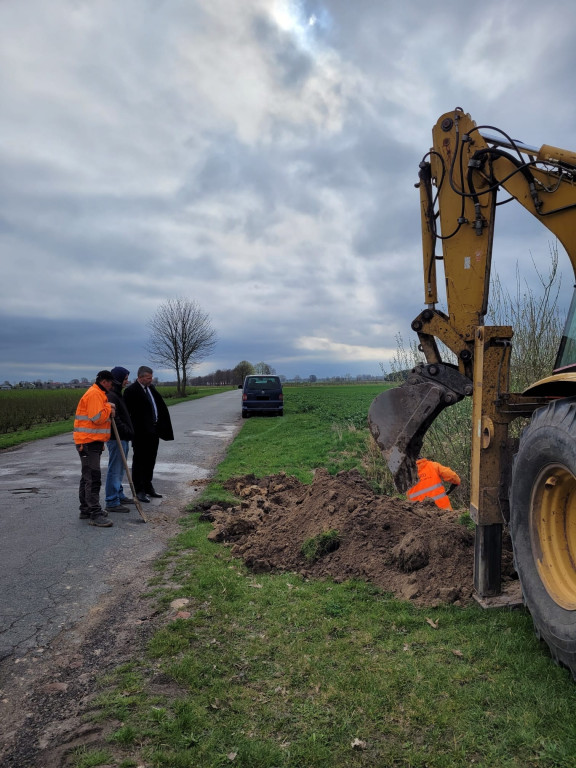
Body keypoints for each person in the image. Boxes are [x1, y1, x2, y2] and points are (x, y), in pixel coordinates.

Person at [123, 365, 174, 503]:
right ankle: (139, 490)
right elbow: (127, 414)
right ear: (140, 377)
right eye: (148, 378)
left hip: (154, 431)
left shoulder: (151, 388)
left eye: (151, 377)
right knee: (139, 461)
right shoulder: (131, 391)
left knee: (151, 460)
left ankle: (148, 486)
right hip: (140, 433)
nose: (150, 380)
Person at [73, 370, 116, 527]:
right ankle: (94, 513)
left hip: (92, 441)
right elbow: (97, 418)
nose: (112, 386)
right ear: (104, 381)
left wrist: (107, 406)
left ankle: (86, 509)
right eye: (111, 383)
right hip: (87, 442)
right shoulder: (94, 394)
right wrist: (109, 409)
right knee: (93, 476)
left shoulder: (99, 394)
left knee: (87, 476)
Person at [104, 366, 135, 514]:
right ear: (118, 379)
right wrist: (127, 431)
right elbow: (115, 420)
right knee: (115, 469)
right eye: (125, 379)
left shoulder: (117, 394)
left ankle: (119, 494)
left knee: (120, 468)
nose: (127, 381)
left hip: (122, 438)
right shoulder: (111, 396)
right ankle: (111, 501)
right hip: (116, 438)